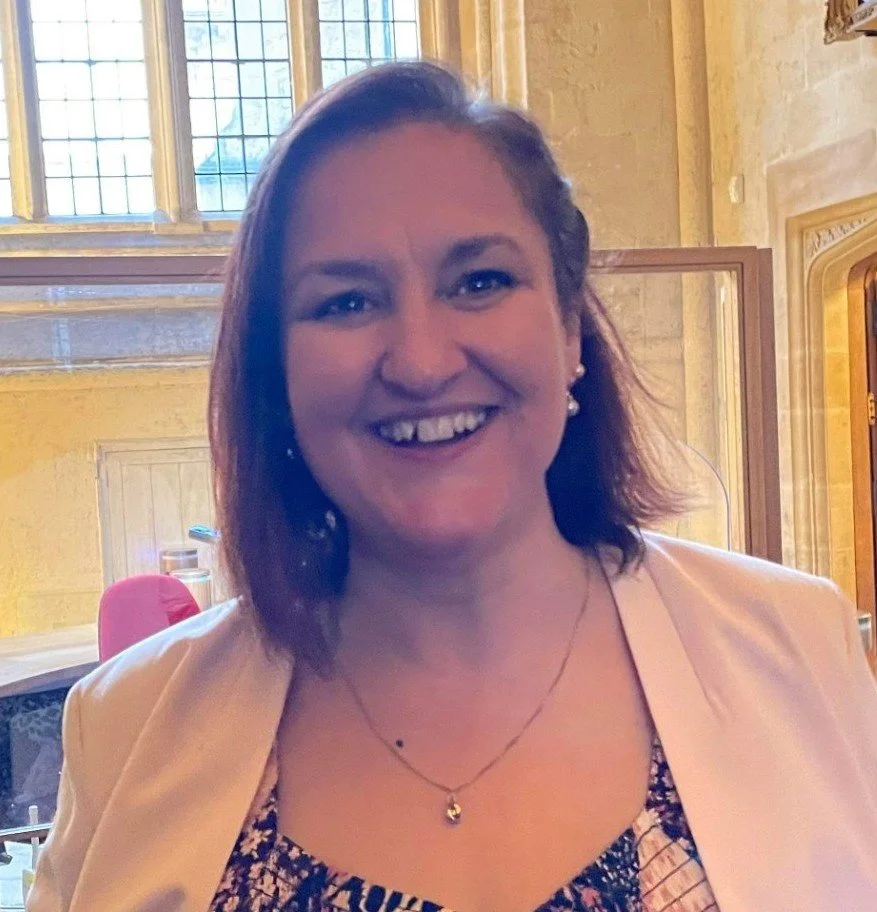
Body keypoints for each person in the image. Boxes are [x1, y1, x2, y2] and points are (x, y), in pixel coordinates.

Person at [28, 62, 877, 912]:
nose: (423, 362)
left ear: (570, 326)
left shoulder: (800, 652)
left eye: (479, 282)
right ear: (275, 373)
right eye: (347, 302)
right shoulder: (127, 728)